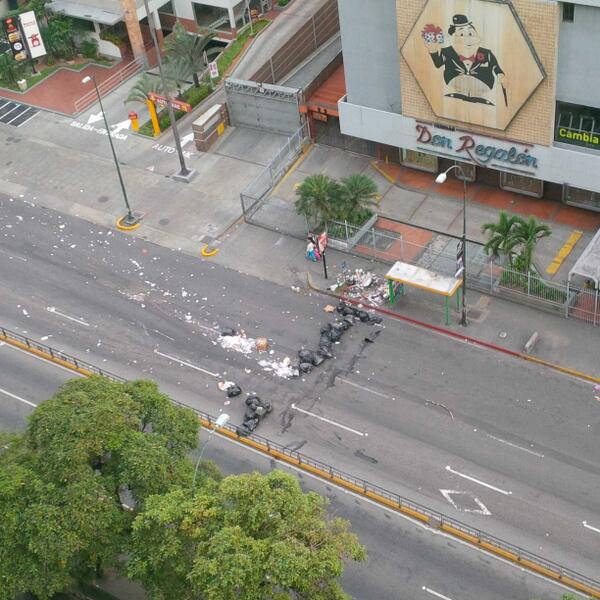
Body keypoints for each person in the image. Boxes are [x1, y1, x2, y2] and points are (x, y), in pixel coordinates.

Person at [424, 14, 508, 106]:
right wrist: (433, 50)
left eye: (470, 34)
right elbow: (438, 64)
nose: (467, 39)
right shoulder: (447, 52)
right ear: (451, 39)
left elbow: (495, 66)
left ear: (478, 37)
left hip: (482, 91)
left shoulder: (486, 53)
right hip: (456, 92)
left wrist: (501, 75)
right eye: (461, 34)